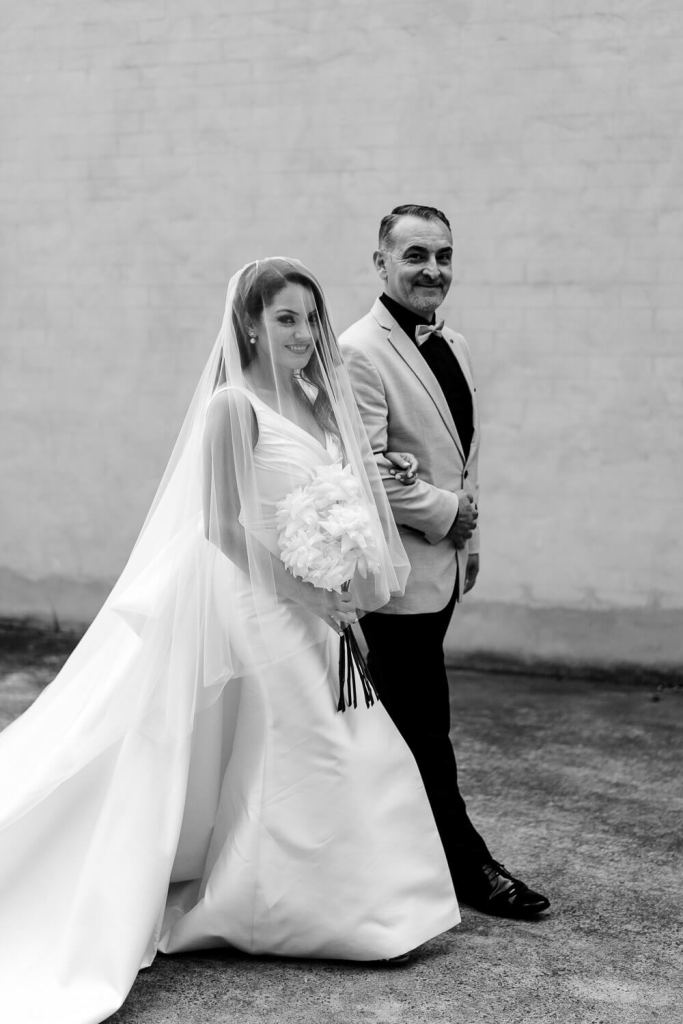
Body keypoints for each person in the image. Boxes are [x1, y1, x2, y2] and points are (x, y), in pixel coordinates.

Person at [0, 258, 459, 1024]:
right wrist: (310, 593)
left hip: (322, 604)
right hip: (259, 601)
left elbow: (333, 493)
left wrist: (344, 576)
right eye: (285, 319)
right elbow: (219, 525)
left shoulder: (318, 402)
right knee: (311, 738)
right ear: (249, 323)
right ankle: (289, 908)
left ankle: (345, 898)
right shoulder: (230, 407)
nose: (305, 335)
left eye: (312, 319)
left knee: (328, 736)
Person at [340, 206, 550, 918]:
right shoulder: (359, 350)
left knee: (406, 726)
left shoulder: (452, 341)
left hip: (441, 571)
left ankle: (395, 857)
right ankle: (470, 870)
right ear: (381, 264)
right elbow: (367, 467)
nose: (433, 269)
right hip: (392, 578)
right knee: (425, 729)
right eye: (415, 256)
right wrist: (442, 514)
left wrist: (469, 538)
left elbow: (457, 459)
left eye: (444, 255)